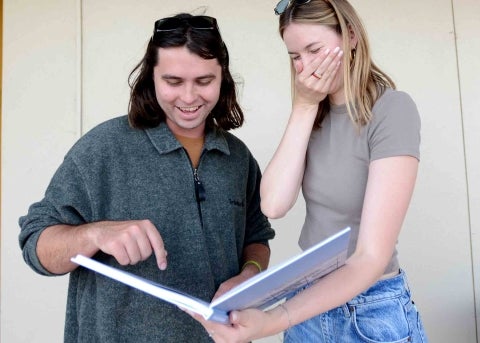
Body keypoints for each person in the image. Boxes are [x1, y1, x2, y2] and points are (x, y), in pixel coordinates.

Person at [18, 13, 275, 343]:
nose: (188, 97)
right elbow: (35, 247)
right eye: (173, 82)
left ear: (222, 78)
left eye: (204, 81)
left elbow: (257, 238)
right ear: (150, 78)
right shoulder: (102, 148)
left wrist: (249, 275)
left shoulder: (237, 157)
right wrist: (94, 234)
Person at [188, 1, 428, 342]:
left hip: (370, 312)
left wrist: (273, 321)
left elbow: (370, 258)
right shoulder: (313, 116)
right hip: (309, 306)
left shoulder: (392, 111)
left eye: (314, 50)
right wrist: (303, 105)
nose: (305, 67)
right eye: (294, 56)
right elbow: (272, 205)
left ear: (351, 36)